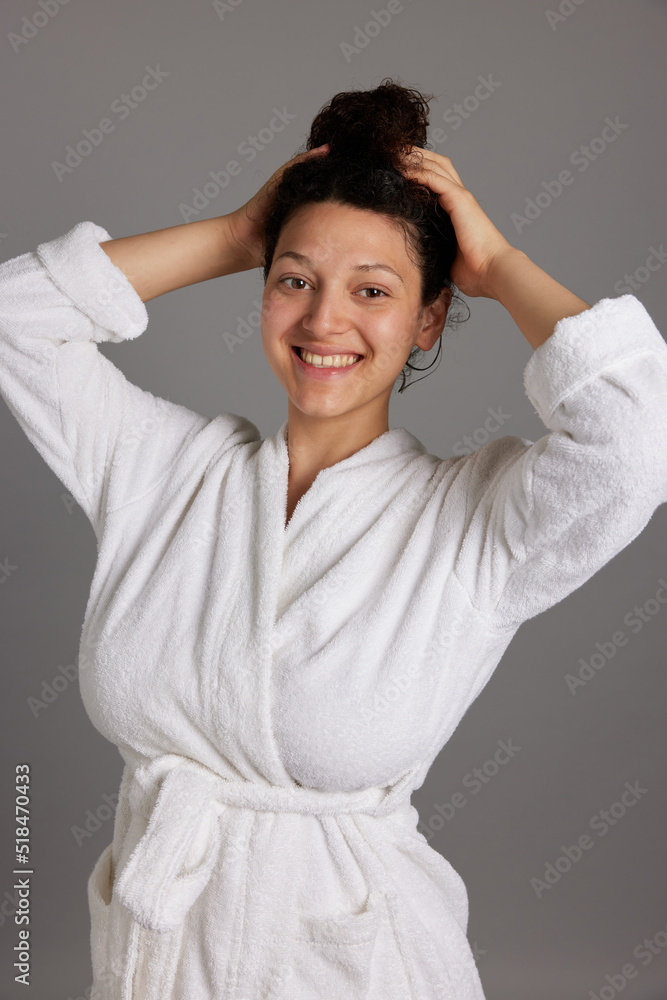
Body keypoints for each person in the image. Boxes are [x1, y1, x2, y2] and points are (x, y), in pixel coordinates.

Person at [1, 78, 666, 1000]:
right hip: (158, 964)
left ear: (429, 315)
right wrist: (240, 232)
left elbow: (633, 440)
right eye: (295, 280)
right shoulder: (164, 470)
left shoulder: (468, 523)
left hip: (354, 967)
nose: (323, 321)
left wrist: (498, 262)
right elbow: (16, 320)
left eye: (374, 290)